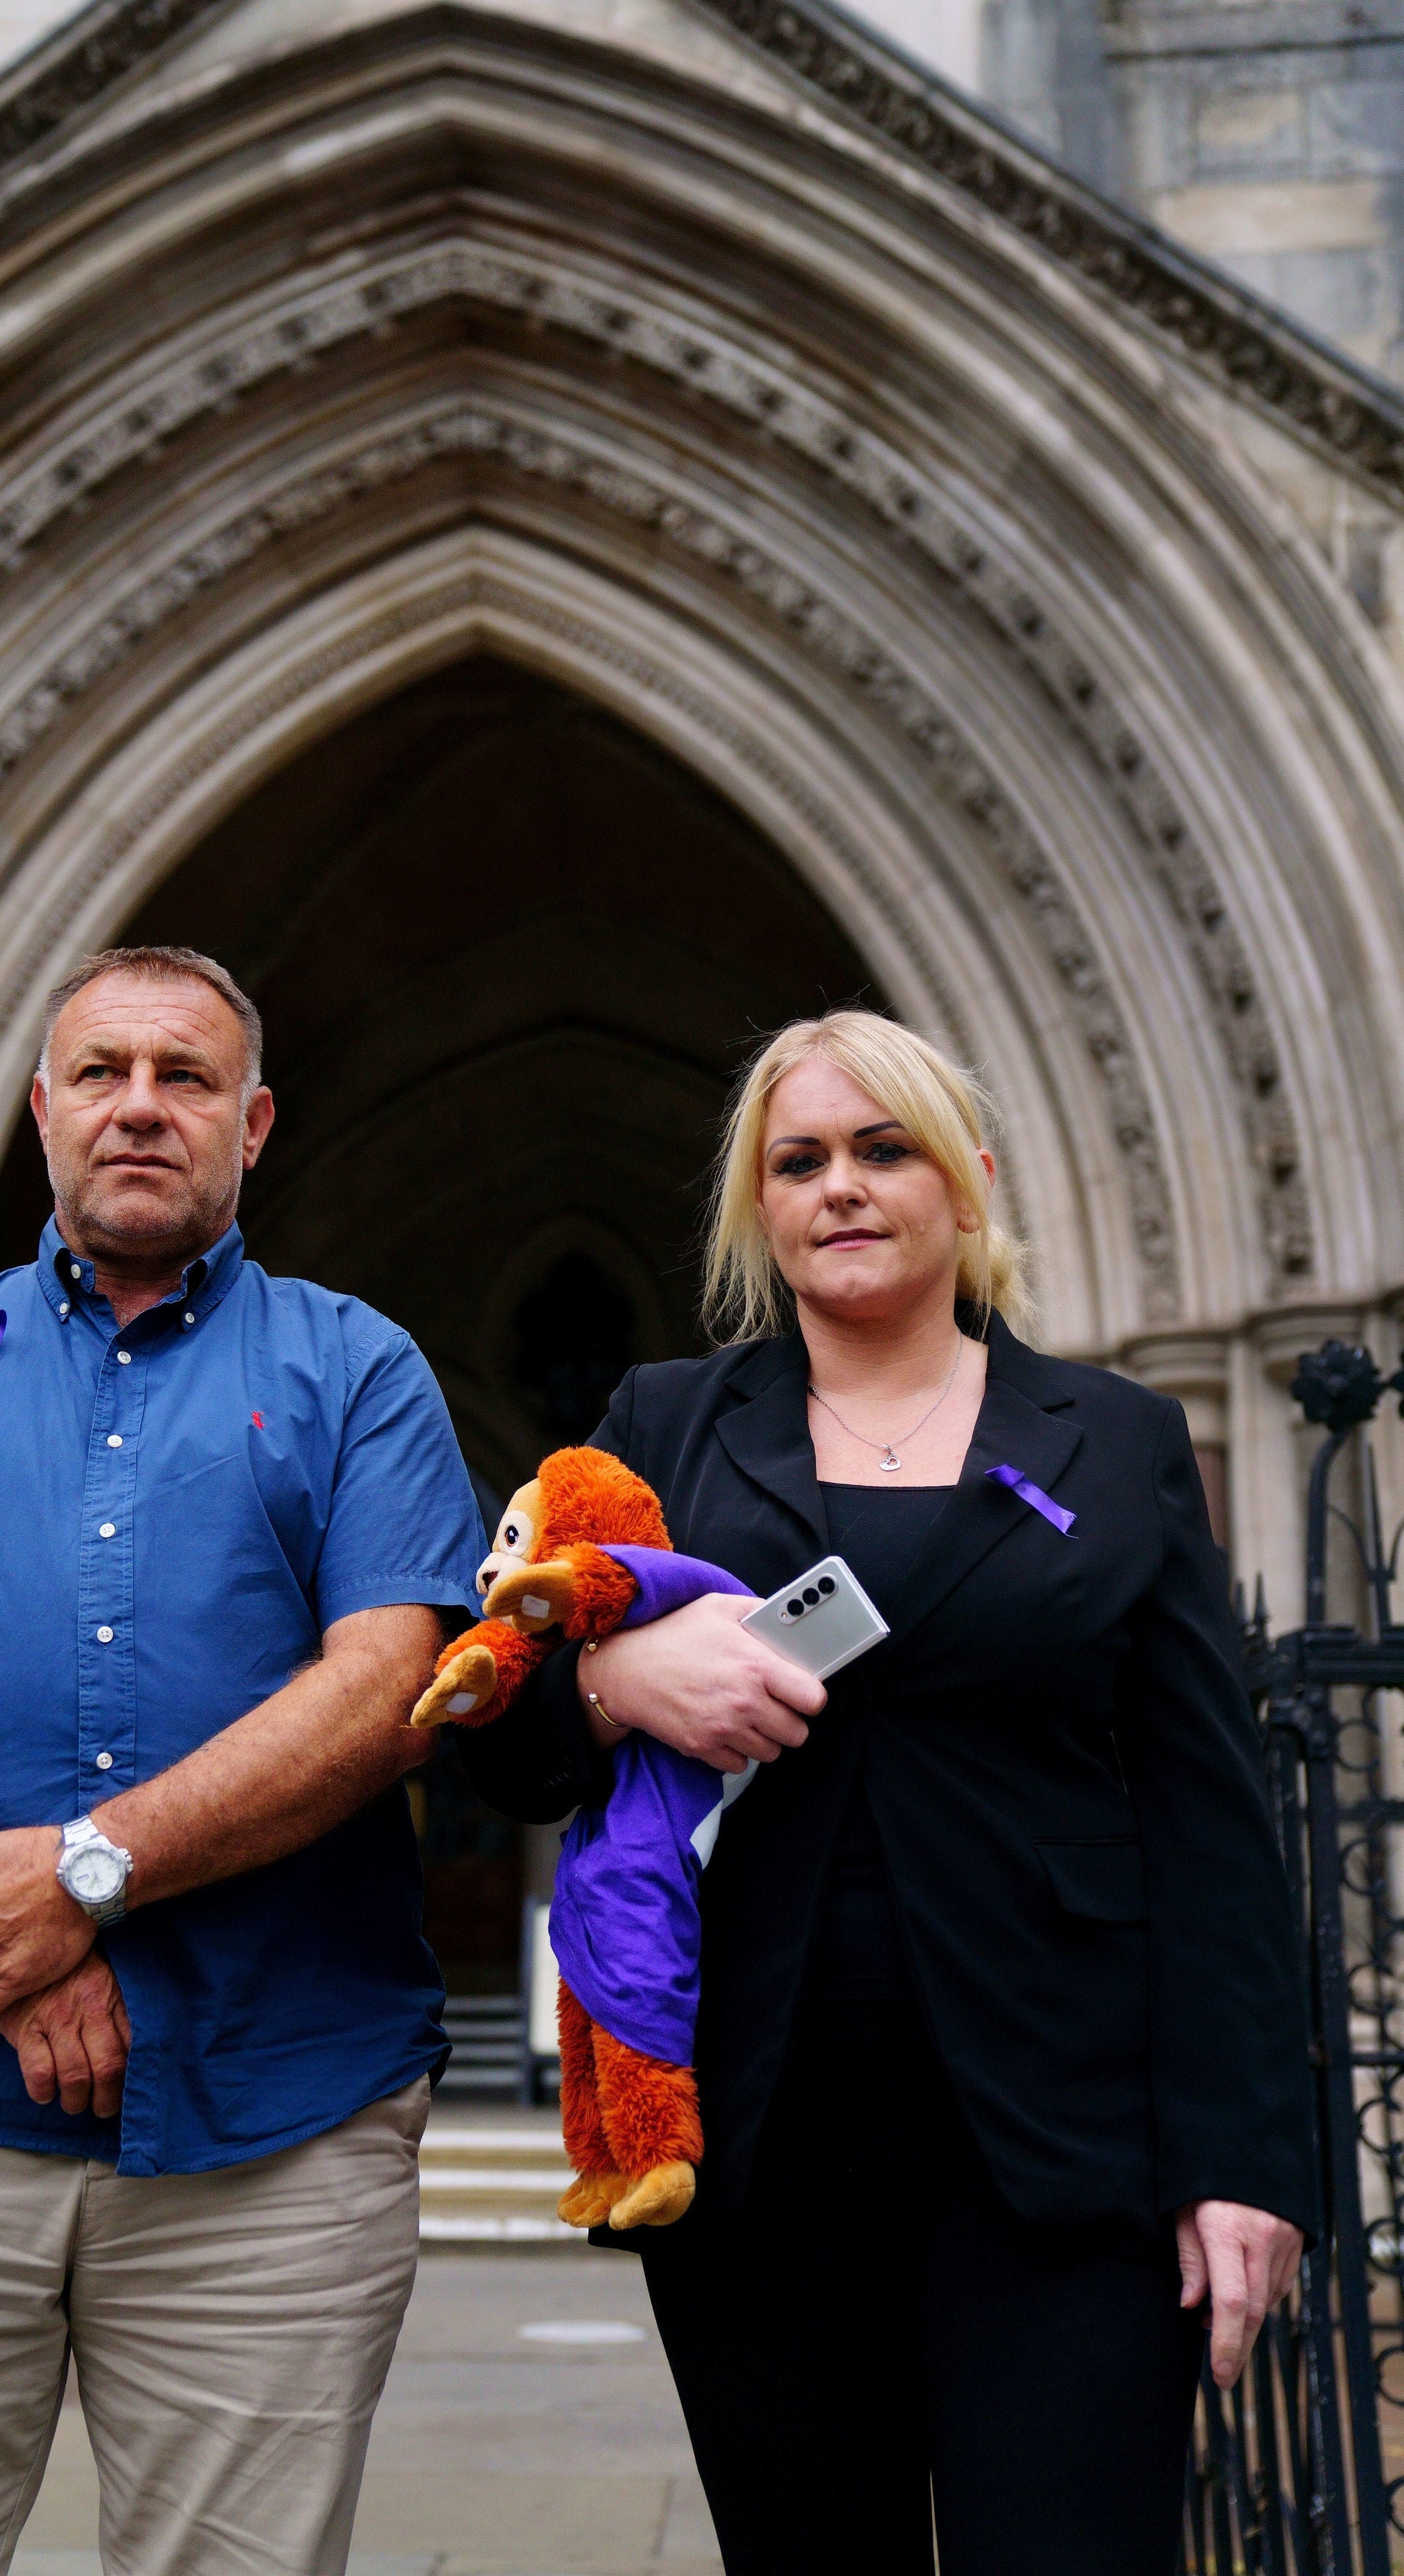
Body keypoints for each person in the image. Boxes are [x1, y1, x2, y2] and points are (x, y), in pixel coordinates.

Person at [459, 1008, 1316, 2576]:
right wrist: (614, 1682)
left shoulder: (1114, 1437)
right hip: (766, 2153)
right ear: (761, 1211)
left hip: (1067, 2150)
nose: (841, 1185)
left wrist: (1248, 2163)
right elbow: (492, 1732)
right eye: (801, 1162)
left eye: (884, 1147)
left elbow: (1214, 1825)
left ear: (968, 1181)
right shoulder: (668, 1424)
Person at [0, 943, 484, 2576]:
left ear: (252, 1124)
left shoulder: (359, 1370)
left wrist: (83, 1869)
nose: (142, 1107)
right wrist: (9, 1937)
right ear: (41, 1110)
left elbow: (390, 1679)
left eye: (186, 1078)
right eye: (104, 1073)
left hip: (275, 2133)